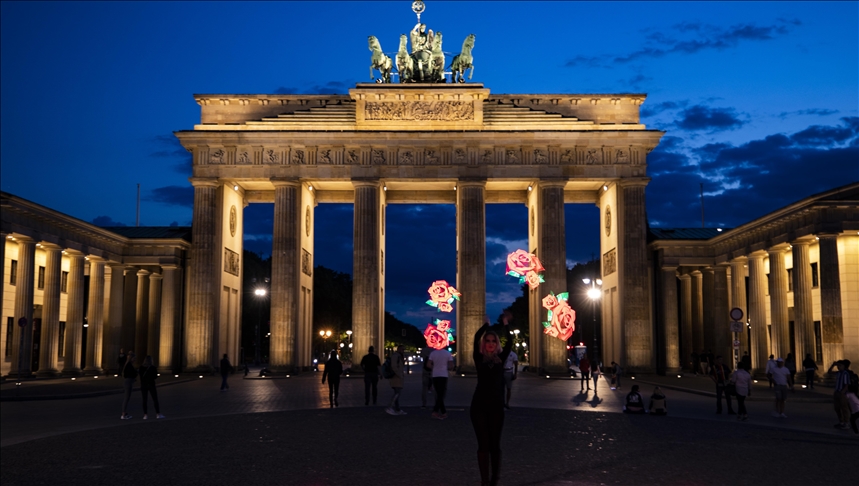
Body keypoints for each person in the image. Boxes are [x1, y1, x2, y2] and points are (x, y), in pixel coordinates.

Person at [471, 319, 513, 486]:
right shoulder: (478, 358)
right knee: (483, 445)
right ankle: (484, 481)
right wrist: (486, 326)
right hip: (478, 406)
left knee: (495, 444)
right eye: (487, 341)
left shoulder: (502, 358)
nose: (490, 343)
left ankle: (495, 479)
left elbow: (510, 342)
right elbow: (475, 338)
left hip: (496, 407)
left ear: (497, 344)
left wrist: (506, 325)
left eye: (493, 341)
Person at [428, 345, 454, 419]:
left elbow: (428, 364)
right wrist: (446, 368)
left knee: (439, 394)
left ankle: (443, 412)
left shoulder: (433, 353)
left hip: (435, 375)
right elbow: (451, 366)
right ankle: (436, 411)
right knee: (441, 394)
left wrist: (435, 367)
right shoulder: (447, 353)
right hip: (443, 375)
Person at [828, 359, 852, 430]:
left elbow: (847, 384)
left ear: (844, 366)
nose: (838, 367)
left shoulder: (845, 373)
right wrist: (833, 365)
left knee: (844, 408)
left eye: (840, 365)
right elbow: (829, 372)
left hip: (842, 393)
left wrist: (842, 392)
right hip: (837, 391)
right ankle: (841, 421)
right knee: (837, 408)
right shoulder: (838, 373)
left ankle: (846, 423)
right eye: (838, 366)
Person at [139, 355, 164, 419]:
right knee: (155, 399)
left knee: (144, 400)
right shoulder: (153, 368)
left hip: (143, 385)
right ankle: (158, 414)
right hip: (151, 384)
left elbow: (140, 376)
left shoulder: (141, 368)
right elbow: (155, 376)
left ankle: (145, 415)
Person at [386, 345, 406, 415]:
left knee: (397, 393)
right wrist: (399, 375)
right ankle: (390, 407)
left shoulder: (398, 356)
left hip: (397, 377)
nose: (404, 351)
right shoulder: (396, 356)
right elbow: (394, 366)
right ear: (399, 349)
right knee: (397, 393)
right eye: (403, 349)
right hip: (396, 377)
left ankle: (397, 409)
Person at [120, 352, 137, 420]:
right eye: (134, 358)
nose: (135, 359)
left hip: (128, 381)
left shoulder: (127, 365)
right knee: (126, 398)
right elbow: (130, 374)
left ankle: (124, 413)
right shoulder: (129, 365)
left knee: (127, 398)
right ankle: (123, 414)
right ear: (131, 358)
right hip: (128, 382)